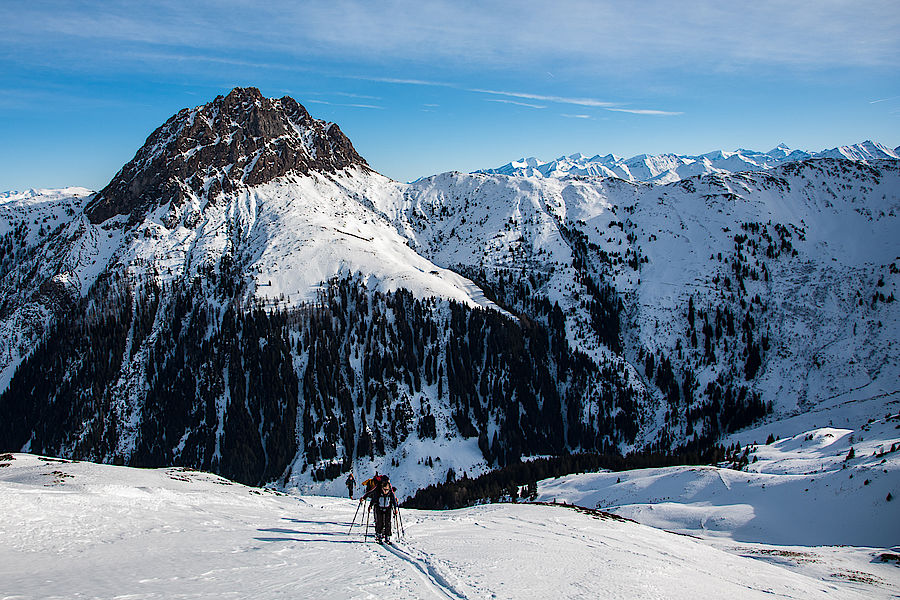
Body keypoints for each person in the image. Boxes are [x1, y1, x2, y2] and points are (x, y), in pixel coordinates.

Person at [370, 478, 398, 544]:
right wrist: (370, 506)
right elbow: (374, 499)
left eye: (387, 490)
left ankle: (387, 537)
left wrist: (395, 508)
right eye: (384, 489)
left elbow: (393, 500)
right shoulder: (378, 492)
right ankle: (379, 535)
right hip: (379, 509)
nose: (385, 491)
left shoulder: (390, 493)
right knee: (380, 522)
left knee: (388, 523)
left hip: (388, 508)